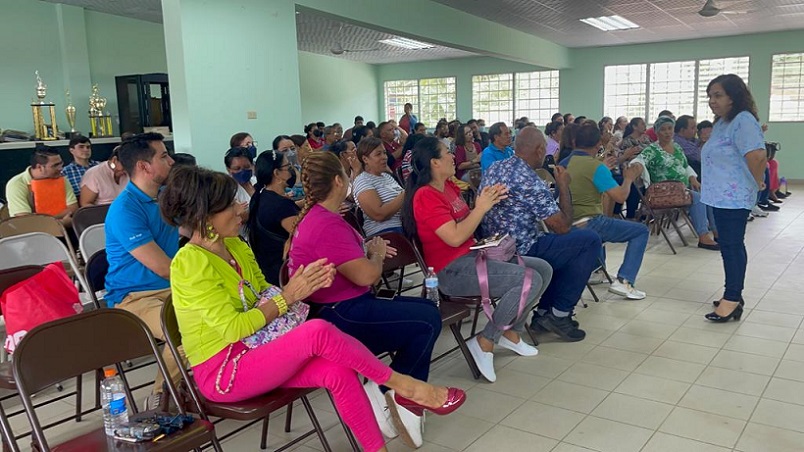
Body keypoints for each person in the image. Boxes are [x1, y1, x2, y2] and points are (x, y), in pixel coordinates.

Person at [162, 165, 465, 452]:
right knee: (316, 331)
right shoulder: (190, 263)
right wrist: (288, 296)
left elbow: (263, 296)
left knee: (339, 370)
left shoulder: (236, 246)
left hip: (257, 349)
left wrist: (302, 289)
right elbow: (233, 328)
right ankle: (408, 387)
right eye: (230, 205)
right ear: (205, 216)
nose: (241, 208)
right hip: (225, 371)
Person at [286, 151, 448, 447]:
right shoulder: (325, 223)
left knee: (426, 310)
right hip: (337, 315)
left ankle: (388, 390)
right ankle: (395, 393)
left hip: (340, 307)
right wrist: (375, 254)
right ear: (338, 181)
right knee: (426, 321)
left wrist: (370, 251)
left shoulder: (322, 217)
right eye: (345, 173)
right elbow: (367, 276)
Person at [402, 137, 551, 383]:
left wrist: (490, 200)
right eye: (447, 153)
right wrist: (481, 207)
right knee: (528, 279)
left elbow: (466, 223)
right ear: (434, 162)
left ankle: (511, 332)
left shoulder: (448, 186)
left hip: (472, 256)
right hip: (451, 271)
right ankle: (486, 340)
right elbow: (454, 237)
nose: (453, 157)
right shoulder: (425, 196)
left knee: (543, 269)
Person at [481, 127, 600, 342]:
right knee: (588, 241)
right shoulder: (528, 179)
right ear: (539, 151)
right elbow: (561, 226)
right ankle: (559, 314)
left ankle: (545, 313)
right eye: (545, 149)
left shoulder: (495, 167)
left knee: (570, 246)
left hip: (494, 246)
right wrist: (563, 186)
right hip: (520, 249)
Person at [104, 132, 178, 409]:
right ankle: (160, 399)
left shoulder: (164, 198)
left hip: (171, 288)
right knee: (186, 330)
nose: (171, 161)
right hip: (135, 298)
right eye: (164, 156)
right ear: (144, 166)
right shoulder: (125, 210)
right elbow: (163, 268)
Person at [701, 74, 767, 323]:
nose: (712, 101)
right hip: (721, 195)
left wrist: (757, 182)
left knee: (731, 246)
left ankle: (732, 298)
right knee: (729, 245)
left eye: (718, 95)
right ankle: (733, 295)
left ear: (734, 96)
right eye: (710, 96)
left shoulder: (743, 120)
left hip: (734, 196)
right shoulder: (723, 122)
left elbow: (757, 156)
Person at [561, 124, 650, 300]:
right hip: (590, 222)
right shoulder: (595, 167)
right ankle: (625, 281)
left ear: (574, 142)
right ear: (598, 144)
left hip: (568, 222)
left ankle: (596, 271)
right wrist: (628, 179)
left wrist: (603, 169)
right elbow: (620, 197)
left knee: (600, 228)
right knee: (641, 231)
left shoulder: (565, 163)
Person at [633, 116, 719, 250]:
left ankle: (716, 232)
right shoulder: (652, 150)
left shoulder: (677, 147)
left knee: (706, 194)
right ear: (657, 132)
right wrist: (637, 168)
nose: (667, 132)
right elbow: (637, 162)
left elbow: (685, 166)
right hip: (663, 191)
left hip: (681, 189)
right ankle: (703, 236)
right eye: (663, 129)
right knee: (698, 197)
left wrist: (693, 178)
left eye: (670, 128)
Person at [247, 150, 300, 285]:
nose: (291, 169)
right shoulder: (280, 206)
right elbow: (302, 236)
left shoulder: (263, 196)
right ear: (277, 173)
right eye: (287, 166)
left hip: (269, 270)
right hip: (285, 274)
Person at [5, 146, 78, 225]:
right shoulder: (16, 184)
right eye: (55, 165)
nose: (60, 168)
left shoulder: (61, 178)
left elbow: (73, 207)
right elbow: (25, 219)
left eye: (61, 163)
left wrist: (48, 221)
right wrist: (60, 222)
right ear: (39, 167)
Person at [352, 137, 405, 236]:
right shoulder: (362, 180)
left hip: (405, 226)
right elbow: (379, 214)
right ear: (365, 159)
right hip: (386, 233)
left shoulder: (387, 176)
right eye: (378, 154)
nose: (384, 157)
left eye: (384, 153)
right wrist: (405, 194)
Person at [224, 147, 255, 222]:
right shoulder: (228, 191)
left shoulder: (257, 182)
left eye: (246, 167)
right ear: (229, 170)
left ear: (252, 165)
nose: (242, 171)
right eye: (237, 168)